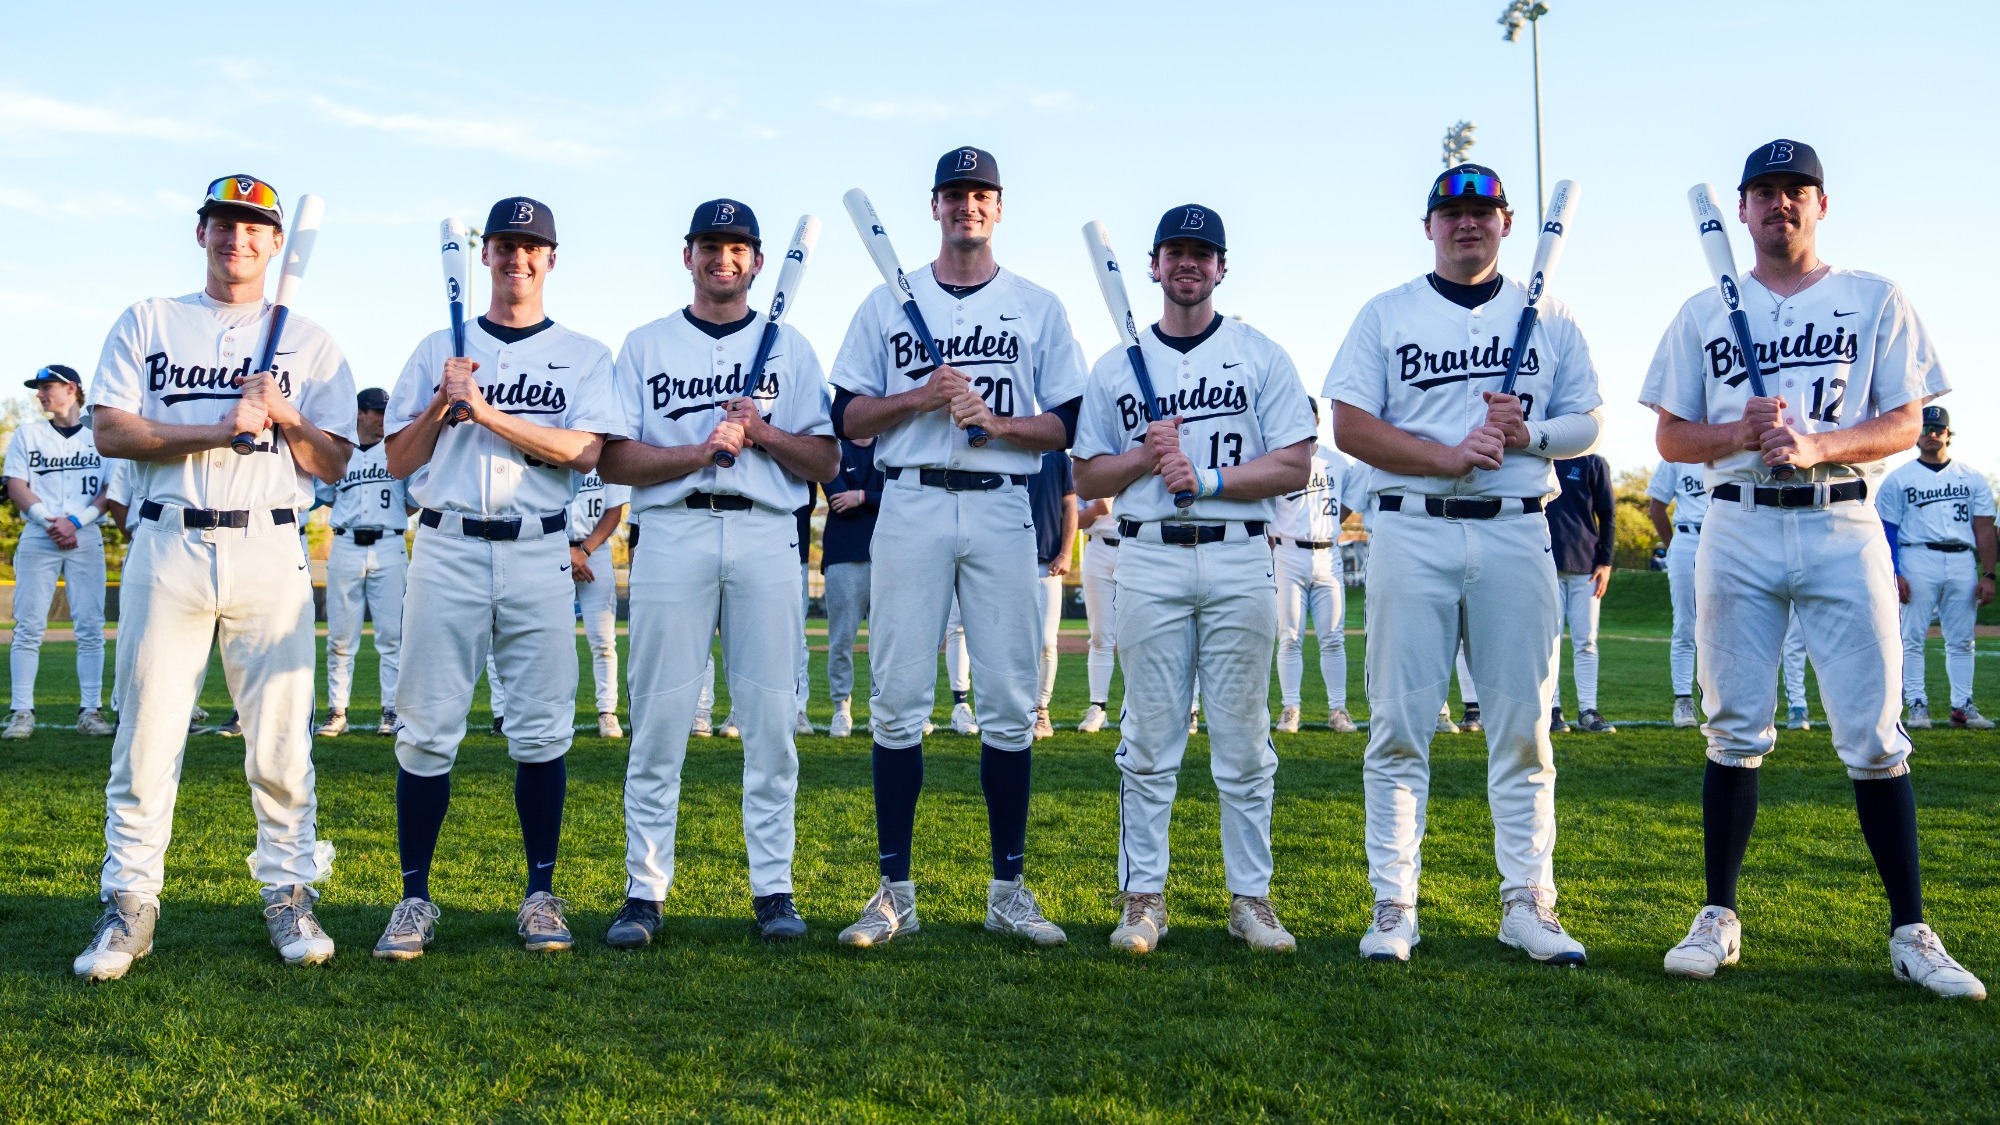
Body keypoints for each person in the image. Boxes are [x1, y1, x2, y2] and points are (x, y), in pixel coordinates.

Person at [1643, 140, 1984, 999]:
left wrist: (1821, 442)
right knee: (1734, 727)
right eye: (1764, 193)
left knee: (1873, 735)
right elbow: (1672, 437)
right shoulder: (1701, 312)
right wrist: (1738, 434)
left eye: (1796, 191)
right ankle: (1718, 913)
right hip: (1738, 522)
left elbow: (1906, 421)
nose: (1779, 205)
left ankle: (1911, 930)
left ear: (1821, 204)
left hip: (1843, 521)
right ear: (1743, 208)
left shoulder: (1874, 298)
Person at [77, 174, 357, 981]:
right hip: (168, 544)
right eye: (224, 225)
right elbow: (110, 429)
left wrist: (287, 413)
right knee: (147, 735)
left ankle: (289, 890)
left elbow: (336, 459)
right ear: (201, 233)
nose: (238, 239)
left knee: (279, 743)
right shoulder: (150, 320)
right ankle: (130, 902)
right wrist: (216, 427)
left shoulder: (309, 339)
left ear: (275, 243)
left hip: (271, 546)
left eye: (255, 228)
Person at [1327, 164, 1605, 966]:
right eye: (1451, 213)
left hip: (1518, 530)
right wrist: (1445, 456)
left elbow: (1587, 419)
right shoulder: (1387, 313)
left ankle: (1528, 901)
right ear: (1429, 226)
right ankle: (1394, 902)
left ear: (1508, 224)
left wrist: (1530, 436)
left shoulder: (1549, 315)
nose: (1466, 224)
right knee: (1398, 728)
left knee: (1522, 730)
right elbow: (1349, 423)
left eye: (1482, 213)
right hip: (1412, 531)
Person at [827, 146, 1086, 948]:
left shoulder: (1036, 305)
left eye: (981, 195)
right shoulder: (883, 303)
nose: (967, 207)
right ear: (935, 207)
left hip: (1003, 504)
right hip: (909, 503)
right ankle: (893, 889)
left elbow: (1069, 424)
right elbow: (846, 418)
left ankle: (1008, 886)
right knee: (899, 694)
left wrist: (998, 423)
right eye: (954, 195)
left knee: (1010, 697)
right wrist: (920, 398)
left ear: (999, 208)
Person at [374, 196, 618, 961]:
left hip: (539, 548)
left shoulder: (583, 353)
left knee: (543, 728)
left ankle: (540, 893)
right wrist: (441, 408)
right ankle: (414, 897)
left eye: (531, 247)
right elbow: (398, 460)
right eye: (505, 246)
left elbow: (584, 451)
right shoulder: (434, 351)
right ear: (484, 257)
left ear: (550, 259)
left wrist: (485, 412)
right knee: (425, 729)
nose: (517, 259)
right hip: (444, 546)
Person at [598, 198, 837, 946]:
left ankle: (774, 888)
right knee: (659, 717)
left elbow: (827, 460)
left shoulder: (790, 348)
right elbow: (614, 457)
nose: (723, 259)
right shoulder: (645, 344)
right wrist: (699, 450)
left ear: (760, 262)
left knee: (770, 719)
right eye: (710, 246)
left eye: (738, 249)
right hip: (671, 531)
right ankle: (645, 890)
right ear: (688, 254)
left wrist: (761, 431)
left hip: (769, 533)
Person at [1074, 203, 1312, 954]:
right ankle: (1143, 895)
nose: (1188, 264)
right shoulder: (1116, 365)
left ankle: (1251, 898)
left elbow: (1295, 462)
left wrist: (1204, 475)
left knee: (1243, 738)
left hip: (1241, 551)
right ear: (1152, 265)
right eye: (1175, 252)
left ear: (1221, 267)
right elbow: (1087, 472)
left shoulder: (1259, 353)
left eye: (1202, 253)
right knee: (1148, 736)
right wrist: (1146, 456)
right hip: (1147, 553)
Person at [5, 364, 113, 739]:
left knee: (90, 627)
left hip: (85, 537)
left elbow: (110, 491)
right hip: (39, 535)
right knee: (29, 627)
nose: (39, 393)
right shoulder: (28, 433)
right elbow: (15, 483)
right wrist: (49, 520)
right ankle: (21, 712)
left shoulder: (100, 435)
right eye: (38, 388)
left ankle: (91, 711)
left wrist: (76, 522)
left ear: (71, 389)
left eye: (46, 386)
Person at [1877, 406, 1995, 730]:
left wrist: (1988, 574)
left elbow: (1985, 527)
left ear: (1947, 434)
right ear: (1916, 433)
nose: (1931, 433)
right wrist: (1894, 571)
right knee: (1911, 636)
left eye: (1937, 428)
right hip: (1917, 558)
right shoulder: (1898, 479)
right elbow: (1887, 530)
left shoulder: (1971, 477)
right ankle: (1917, 704)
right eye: (1925, 427)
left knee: (1961, 639)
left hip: (1961, 560)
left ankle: (1962, 706)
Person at [314, 386, 412, 738]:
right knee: (340, 636)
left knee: (392, 637)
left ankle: (391, 710)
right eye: (377, 411)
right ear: (360, 413)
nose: (384, 418)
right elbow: (324, 495)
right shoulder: (342, 452)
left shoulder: (396, 450)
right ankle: (337, 711)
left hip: (389, 544)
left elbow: (412, 499)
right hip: (346, 544)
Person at [1270, 401, 1356, 734]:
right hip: (1288, 554)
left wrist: (1328, 529)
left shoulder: (1336, 462)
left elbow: (1347, 504)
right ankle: (1290, 708)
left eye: (1309, 417)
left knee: (1333, 637)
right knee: (1289, 637)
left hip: (1327, 554)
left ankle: (1338, 710)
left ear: (1317, 420)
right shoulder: (1278, 459)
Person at [1545, 454, 1617, 734]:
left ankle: (1588, 710)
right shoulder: (1542, 455)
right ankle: (1552, 709)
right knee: (1549, 644)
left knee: (1587, 641)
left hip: (1587, 569)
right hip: (1546, 563)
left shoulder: (1593, 463)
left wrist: (1606, 562)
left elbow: (1608, 514)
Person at [823, 436, 884, 738]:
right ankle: (841, 709)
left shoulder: (887, 446)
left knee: (884, 643)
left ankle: (879, 709)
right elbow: (837, 500)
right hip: (843, 557)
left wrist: (861, 496)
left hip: (886, 558)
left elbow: (899, 497)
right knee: (841, 640)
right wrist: (875, 498)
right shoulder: (835, 447)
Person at [568, 466, 630, 739]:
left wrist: (583, 551)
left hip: (596, 550)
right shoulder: (551, 444)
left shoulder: (607, 456)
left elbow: (614, 511)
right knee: (552, 641)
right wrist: (566, 552)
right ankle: (558, 710)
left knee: (604, 640)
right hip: (550, 549)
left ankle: (607, 711)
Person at [1646, 460, 1708, 727]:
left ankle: (1717, 698)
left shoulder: (1732, 441)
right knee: (1685, 624)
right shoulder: (1679, 452)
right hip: (1687, 537)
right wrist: (1673, 547)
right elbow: (1656, 507)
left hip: (1723, 539)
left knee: (1724, 626)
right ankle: (1683, 701)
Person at [1027, 450, 1078, 739]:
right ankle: (1015, 709)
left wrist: (1067, 552)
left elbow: (1070, 505)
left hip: (1048, 564)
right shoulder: (1006, 447)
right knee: (1009, 643)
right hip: (1011, 561)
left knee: (1046, 642)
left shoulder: (1059, 457)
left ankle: (1041, 710)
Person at [1075, 493, 1118, 733]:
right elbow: (1074, 519)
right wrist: (1097, 510)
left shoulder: (1146, 457)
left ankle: (1136, 708)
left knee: (1140, 636)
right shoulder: (1092, 462)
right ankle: (1098, 707)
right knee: (1100, 635)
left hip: (1139, 547)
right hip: (1098, 546)